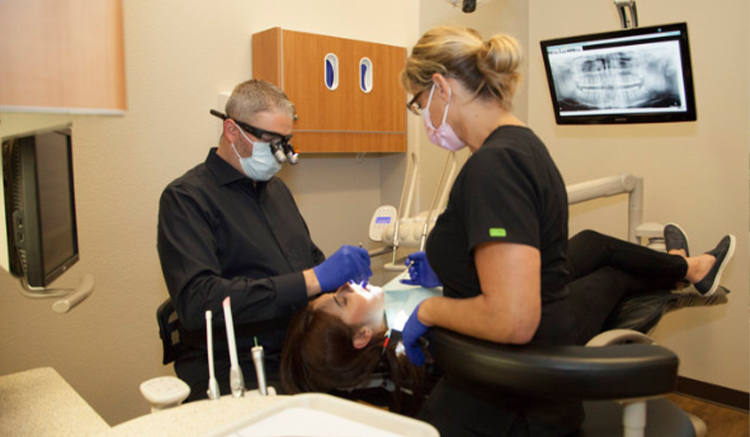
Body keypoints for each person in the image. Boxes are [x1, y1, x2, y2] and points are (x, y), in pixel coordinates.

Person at [395, 25, 736, 436]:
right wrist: (450, 268)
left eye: (418, 105)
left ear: (441, 89)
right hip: (517, 392)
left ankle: (684, 267)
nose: (425, 119)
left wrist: (428, 310)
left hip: (509, 403)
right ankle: (682, 267)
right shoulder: (521, 147)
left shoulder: (494, 166)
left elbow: (513, 318)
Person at [278, 226, 734, 419]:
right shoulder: (413, 350)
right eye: (341, 299)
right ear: (362, 337)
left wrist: (446, 276)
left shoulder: (393, 319)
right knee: (613, 273)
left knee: (592, 243)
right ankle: (687, 270)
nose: (351, 287)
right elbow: (486, 321)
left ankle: (683, 267)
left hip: (515, 302)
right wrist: (446, 292)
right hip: (540, 331)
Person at [157, 79, 372, 401]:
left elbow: (307, 261)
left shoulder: (276, 191)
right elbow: (197, 301)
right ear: (232, 131)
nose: (280, 154)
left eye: (285, 141)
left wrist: (343, 285)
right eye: (270, 140)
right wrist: (312, 280)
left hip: (293, 351)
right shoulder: (186, 199)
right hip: (233, 363)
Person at [280, 280, 439, 414]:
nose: (346, 285)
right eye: (343, 301)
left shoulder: (382, 305)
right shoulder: (425, 342)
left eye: (333, 293)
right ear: (362, 336)